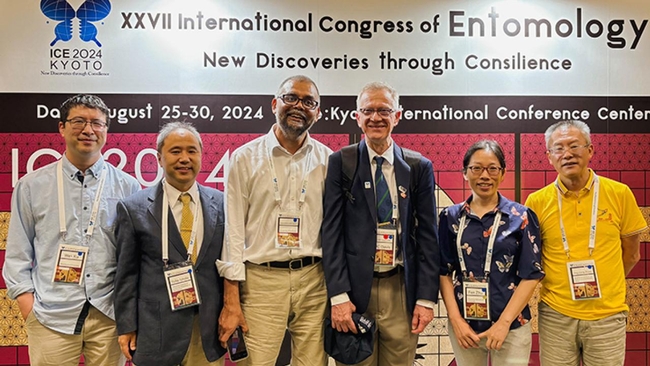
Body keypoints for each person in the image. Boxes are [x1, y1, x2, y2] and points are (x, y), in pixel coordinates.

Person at [2, 94, 141, 365]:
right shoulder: (31, 186)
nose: (88, 130)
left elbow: (134, 257)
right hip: (50, 315)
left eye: (97, 124)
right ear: (61, 127)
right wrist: (29, 308)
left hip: (108, 316)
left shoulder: (128, 187)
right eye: (78, 121)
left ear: (106, 130)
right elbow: (17, 254)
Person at [321, 81, 439, 366]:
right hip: (354, 293)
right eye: (368, 110)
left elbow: (428, 237)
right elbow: (331, 233)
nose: (376, 117)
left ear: (397, 116)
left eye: (384, 110)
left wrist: (426, 298)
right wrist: (338, 296)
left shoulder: (418, 167)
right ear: (357, 117)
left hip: (400, 289)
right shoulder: (341, 162)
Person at [216, 75, 332, 365]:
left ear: (317, 113)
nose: (298, 106)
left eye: (309, 102)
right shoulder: (244, 158)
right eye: (290, 98)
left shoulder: (329, 160)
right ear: (274, 104)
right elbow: (233, 231)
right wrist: (231, 298)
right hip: (260, 282)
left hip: (314, 280)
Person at [525, 120, 648, 366]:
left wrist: (607, 283)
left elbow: (632, 254)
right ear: (549, 157)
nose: (567, 154)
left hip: (607, 314)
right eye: (558, 148)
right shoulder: (536, 202)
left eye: (574, 146)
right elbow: (532, 259)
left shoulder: (619, 193)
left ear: (590, 150)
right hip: (556, 314)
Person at [113, 122, 226, 366]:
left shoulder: (223, 203)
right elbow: (126, 275)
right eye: (175, 151)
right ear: (160, 158)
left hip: (206, 331)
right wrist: (126, 326)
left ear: (201, 155)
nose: (184, 158)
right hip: (156, 330)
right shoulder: (133, 208)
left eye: (191, 151)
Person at [438, 140, 544, 366]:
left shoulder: (521, 217)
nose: (484, 175)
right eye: (476, 168)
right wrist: (456, 320)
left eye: (492, 168)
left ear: (503, 173)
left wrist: (504, 323)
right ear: (465, 173)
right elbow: (443, 271)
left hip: (512, 325)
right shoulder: (449, 217)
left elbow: (531, 274)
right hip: (465, 327)